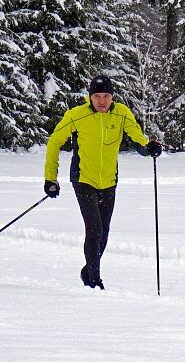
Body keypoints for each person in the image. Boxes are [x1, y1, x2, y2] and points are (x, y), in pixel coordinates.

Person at [43, 73, 162, 290]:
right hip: (83, 179)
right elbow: (54, 142)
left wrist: (149, 148)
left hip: (109, 181)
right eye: (97, 96)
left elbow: (137, 139)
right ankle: (94, 281)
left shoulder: (122, 114)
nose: (102, 101)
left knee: (104, 233)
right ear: (90, 97)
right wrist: (50, 178)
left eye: (106, 96)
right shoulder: (76, 115)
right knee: (95, 229)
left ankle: (88, 270)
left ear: (112, 97)